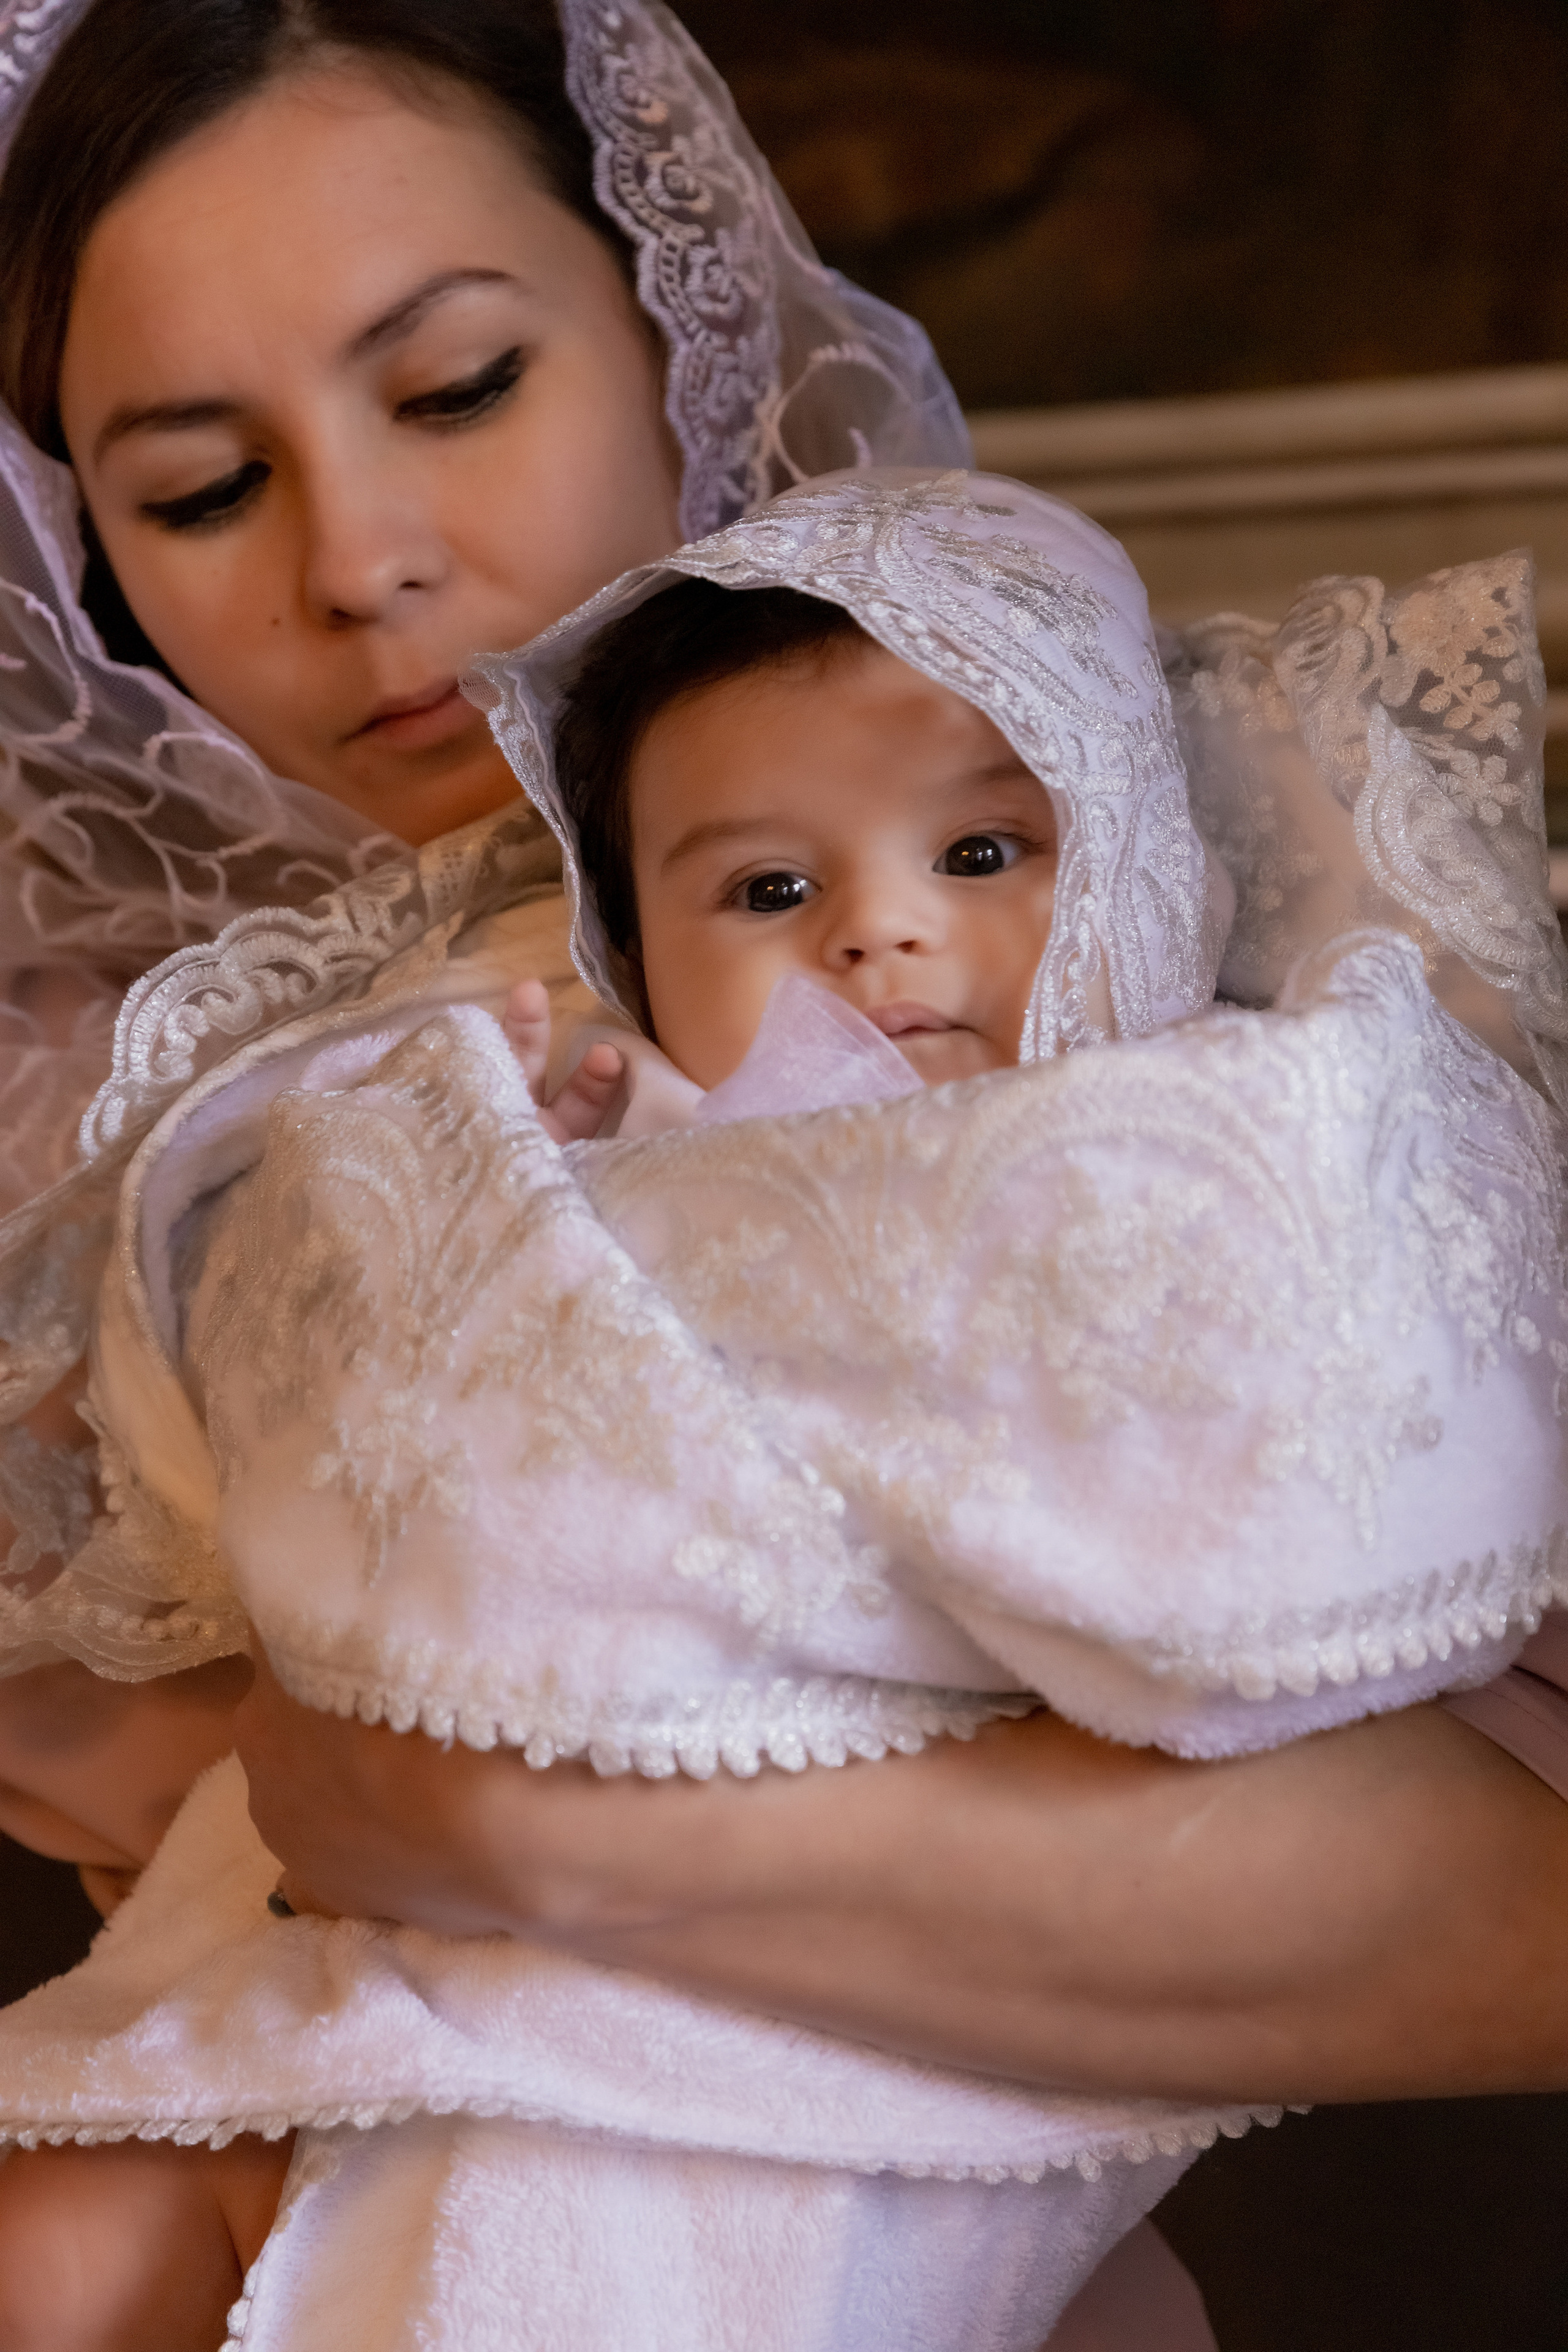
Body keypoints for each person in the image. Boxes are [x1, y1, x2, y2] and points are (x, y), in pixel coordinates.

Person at [0, 0, 1560, 2335]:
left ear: (675, 328)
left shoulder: (1177, 849)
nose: (362, 560)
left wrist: (520, 1823)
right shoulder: (93, 1132)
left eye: (453, 390)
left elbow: (1526, 1919)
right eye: (204, 490)